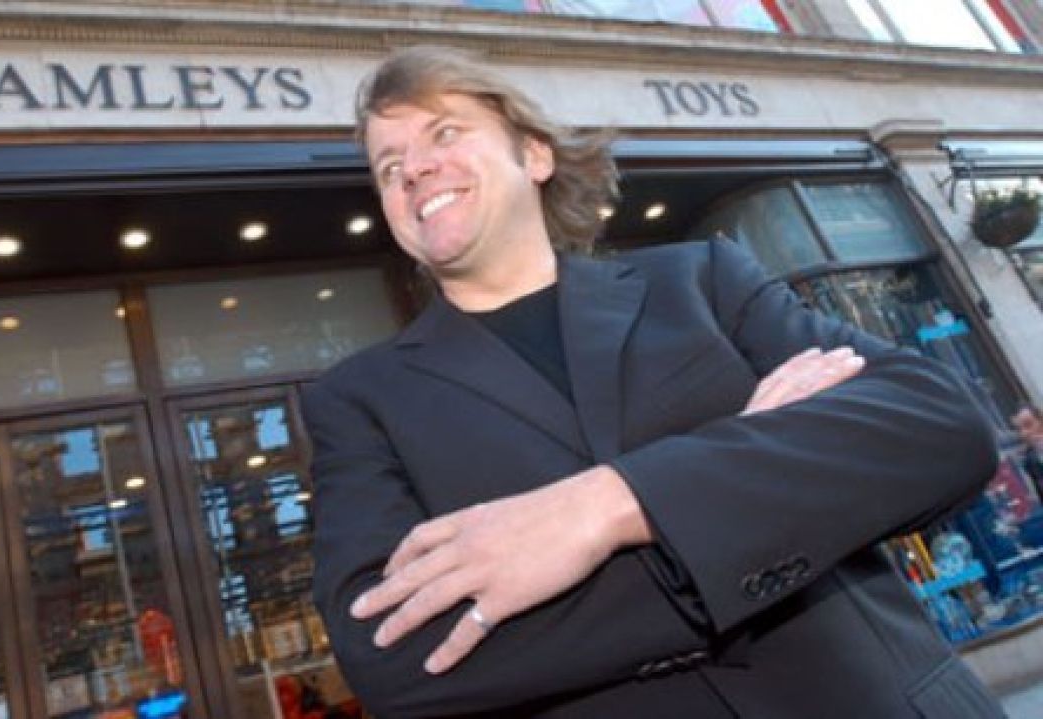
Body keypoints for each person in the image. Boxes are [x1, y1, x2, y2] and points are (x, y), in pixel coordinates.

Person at [302, 46, 1003, 718]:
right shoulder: (360, 400)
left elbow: (939, 424)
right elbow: (392, 654)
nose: (414, 170)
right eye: (388, 167)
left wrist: (610, 507)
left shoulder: (703, 279)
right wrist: (751, 466)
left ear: (535, 155)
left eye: (445, 133)